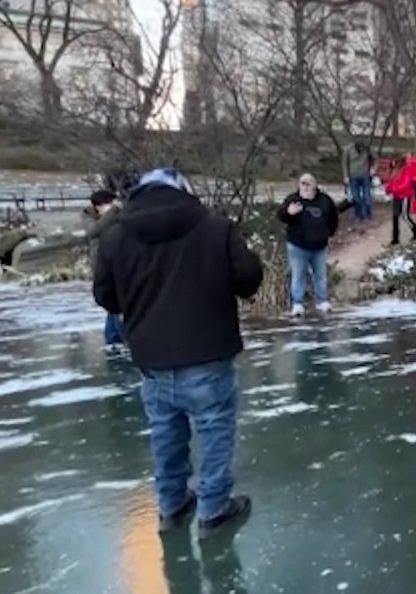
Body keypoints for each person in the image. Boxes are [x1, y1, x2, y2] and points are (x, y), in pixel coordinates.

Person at [92, 167, 263, 539]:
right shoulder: (215, 228)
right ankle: (214, 508)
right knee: (214, 429)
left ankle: (171, 504)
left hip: (152, 357)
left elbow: (105, 296)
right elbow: (249, 277)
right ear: (183, 190)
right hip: (207, 349)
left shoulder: (115, 236)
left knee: (164, 433)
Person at [278, 174, 339, 316]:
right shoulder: (293, 200)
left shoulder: (325, 200)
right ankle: (297, 303)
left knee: (320, 275)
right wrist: (289, 213)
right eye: (302, 184)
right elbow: (281, 216)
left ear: (315, 185)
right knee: (298, 275)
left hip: (319, 246)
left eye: (308, 184)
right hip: (298, 246)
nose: (305, 187)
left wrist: (329, 234)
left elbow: (333, 218)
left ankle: (322, 300)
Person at [82, 189, 124, 347]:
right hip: (100, 264)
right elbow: (94, 231)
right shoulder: (88, 215)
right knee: (111, 301)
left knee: (115, 303)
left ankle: (113, 337)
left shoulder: (117, 215)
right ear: (97, 206)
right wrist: (112, 212)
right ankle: (114, 337)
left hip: (116, 262)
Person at [385, 156, 416, 245]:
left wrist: (394, 189)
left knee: (405, 216)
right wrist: (388, 189)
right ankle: (395, 239)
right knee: (395, 217)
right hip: (396, 196)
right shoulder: (393, 171)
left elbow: (406, 184)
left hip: (405, 195)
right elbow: (390, 181)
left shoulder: (407, 170)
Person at [342, 141, 376, 222]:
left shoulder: (368, 148)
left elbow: (376, 158)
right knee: (355, 196)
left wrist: (373, 168)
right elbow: (344, 164)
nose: (361, 149)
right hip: (353, 176)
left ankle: (367, 214)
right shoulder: (348, 149)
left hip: (365, 175)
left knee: (367, 196)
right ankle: (359, 215)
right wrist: (345, 176)